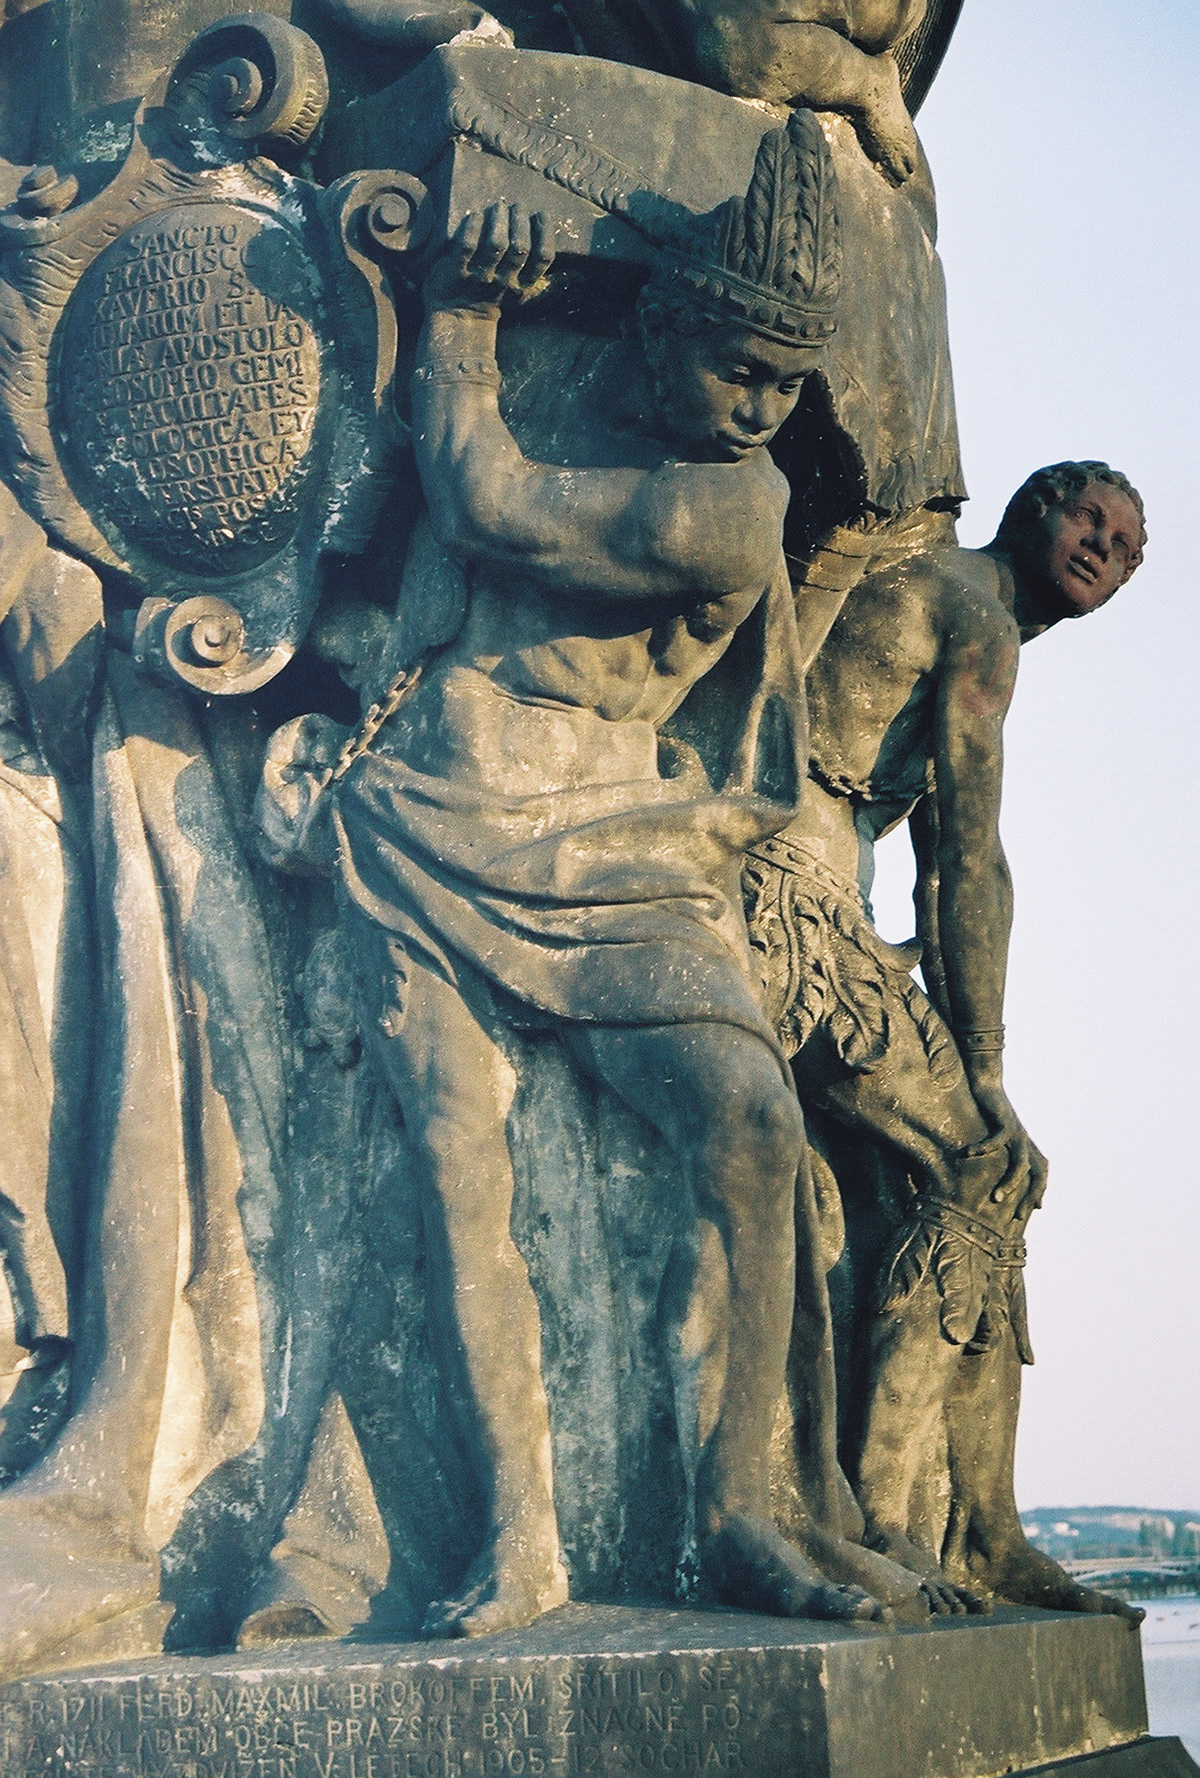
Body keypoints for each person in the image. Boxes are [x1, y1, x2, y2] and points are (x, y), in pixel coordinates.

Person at [257, 109, 928, 1637]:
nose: (760, 405)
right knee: (452, 1167)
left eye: (783, 381)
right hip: (433, 804)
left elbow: (493, 502)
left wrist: (464, 320)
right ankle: (518, 1538)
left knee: (753, 1127)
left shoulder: (727, 502)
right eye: (734, 367)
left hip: (622, 833)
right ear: (667, 324)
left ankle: (748, 1505)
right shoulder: (587, 393)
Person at [743, 461, 1147, 1615]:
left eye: (1127, 547)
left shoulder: (957, 601)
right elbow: (968, 853)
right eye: (1091, 519)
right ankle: (898, 1520)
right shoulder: (974, 608)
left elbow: (942, 872)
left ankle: (983, 1525)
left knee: (990, 1179)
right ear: (1032, 509)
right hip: (790, 899)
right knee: (984, 1160)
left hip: (823, 896)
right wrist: (987, 1069)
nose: (1104, 549)